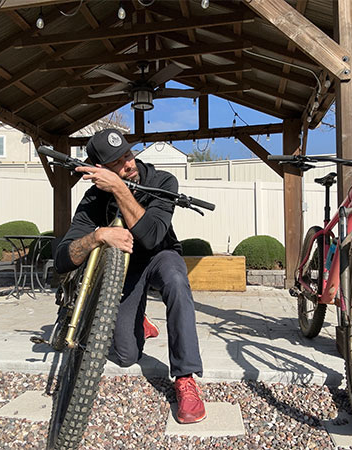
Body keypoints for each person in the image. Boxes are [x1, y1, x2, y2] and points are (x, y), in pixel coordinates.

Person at [54, 128, 206, 424]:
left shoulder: (162, 181)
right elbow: (62, 259)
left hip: (161, 256)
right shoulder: (93, 200)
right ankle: (141, 321)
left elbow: (151, 236)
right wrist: (96, 236)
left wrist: (120, 188)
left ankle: (186, 378)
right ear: (100, 170)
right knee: (126, 355)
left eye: (128, 154)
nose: (128, 164)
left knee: (175, 279)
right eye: (117, 162)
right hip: (126, 270)